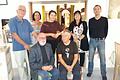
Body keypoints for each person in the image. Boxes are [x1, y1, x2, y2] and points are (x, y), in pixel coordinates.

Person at [8, 5, 37, 80]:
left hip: (28, 47)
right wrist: (25, 44)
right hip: (18, 48)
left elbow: (33, 32)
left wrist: (38, 38)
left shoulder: (26, 21)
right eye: (21, 10)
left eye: (24, 10)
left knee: (29, 64)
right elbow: (14, 34)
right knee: (20, 66)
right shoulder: (12, 20)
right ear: (17, 11)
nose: (22, 11)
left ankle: (30, 78)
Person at [87, 5, 108, 80]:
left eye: (98, 9)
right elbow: (89, 31)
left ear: (100, 10)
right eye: (95, 9)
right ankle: (90, 71)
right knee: (90, 57)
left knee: (102, 58)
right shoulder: (90, 20)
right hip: (92, 41)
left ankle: (103, 74)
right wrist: (92, 37)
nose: (96, 10)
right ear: (93, 11)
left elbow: (106, 30)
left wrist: (102, 38)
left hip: (101, 41)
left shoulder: (105, 19)